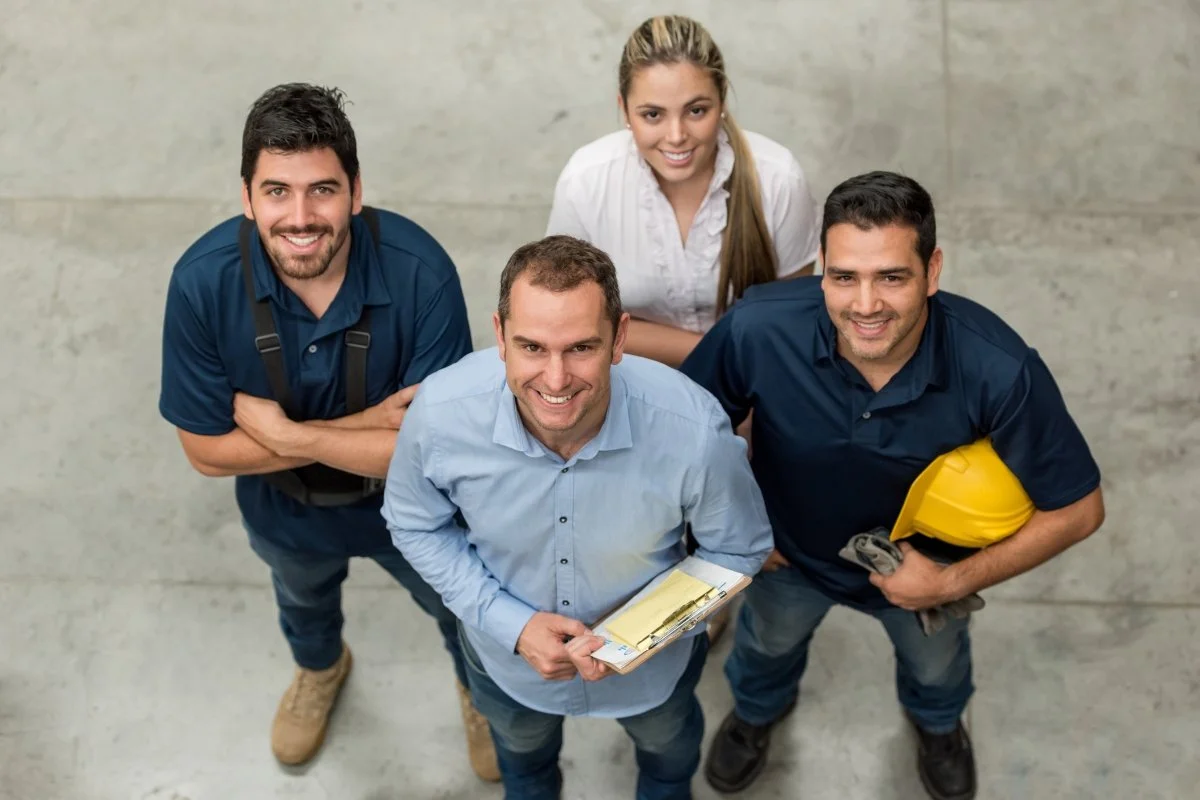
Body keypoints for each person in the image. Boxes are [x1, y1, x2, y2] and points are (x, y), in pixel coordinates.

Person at [680, 171, 1105, 800]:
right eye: (844, 276)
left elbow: (1079, 510)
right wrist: (730, 531)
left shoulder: (999, 369)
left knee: (938, 671)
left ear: (932, 271)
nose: (865, 304)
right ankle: (756, 711)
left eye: (892, 277)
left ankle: (939, 726)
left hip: (928, 573)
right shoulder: (758, 330)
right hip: (788, 557)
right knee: (764, 649)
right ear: (822, 268)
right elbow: (684, 435)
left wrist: (950, 583)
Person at [157, 83, 497, 779]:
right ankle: (321, 668)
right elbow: (205, 452)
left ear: (356, 191)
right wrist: (367, 425)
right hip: (284, 510)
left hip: (417, 509)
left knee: (459, 608)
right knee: (303, 600)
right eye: (276, 192)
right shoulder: (200, 284)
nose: (301, 217)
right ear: (247, 197)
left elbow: (433, 451)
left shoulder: (422, 273)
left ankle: (480, 691)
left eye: (322, 190)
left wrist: (292, 437)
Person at [382, 235, 774, 799]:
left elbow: (736, 549)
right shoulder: (441, 416)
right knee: (524, 770)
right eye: (532, 347)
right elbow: (415, 523)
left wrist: (635, 638)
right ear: (500, 336)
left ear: (619, 338)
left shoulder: (692, 430)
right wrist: (511, 625)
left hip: (652, 675)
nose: (556, 379)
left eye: (581, 347)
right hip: (507, 667)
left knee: (668, 763)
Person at [546, 12, 821, 641]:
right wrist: (716, 353)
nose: (676, 136)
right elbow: (577, 326)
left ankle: (717, 581)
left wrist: (746, 410)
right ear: (623, 109)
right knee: (636, 519)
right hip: (629, 379)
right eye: (652, 114)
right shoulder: (587, 182)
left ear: (723, 100)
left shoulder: (776, 180)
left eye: (697, 111)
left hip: (754, 393)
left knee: (752, 517)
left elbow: (791, 326)